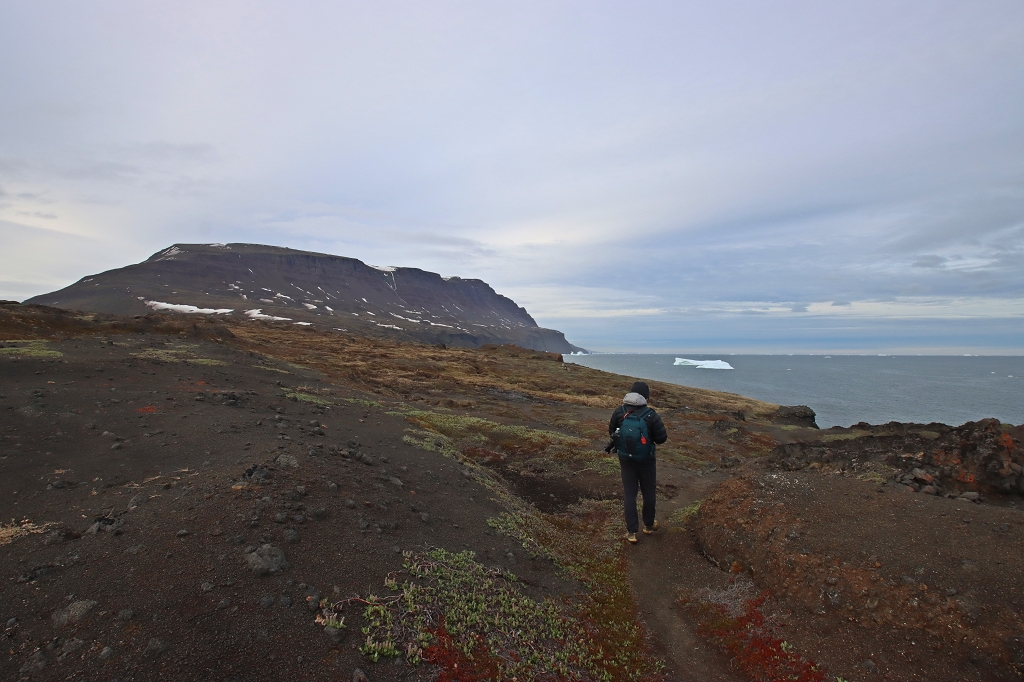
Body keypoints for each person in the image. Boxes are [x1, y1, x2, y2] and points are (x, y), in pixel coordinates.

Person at [608, 381, 667, 544]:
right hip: (646, 459)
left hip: (626, 459)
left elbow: (612, 432)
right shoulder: (651, 414)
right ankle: (648, 526)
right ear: (646, 397)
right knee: (648, 491)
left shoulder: (619, 412)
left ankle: (631, 532)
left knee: (630, 493)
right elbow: (662, 438)